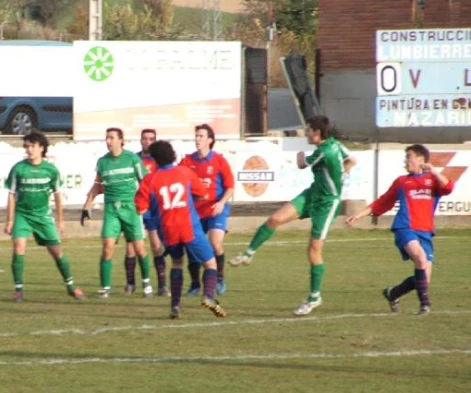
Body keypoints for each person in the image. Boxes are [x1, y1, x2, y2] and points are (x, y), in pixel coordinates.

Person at [229, 115, 357, 317]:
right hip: (313, 194)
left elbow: (301, 163)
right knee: (275, 219)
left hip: (327, 203)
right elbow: (352, 160)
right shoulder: (335, 145)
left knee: (314, 249)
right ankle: (248, 253)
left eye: (308, 130)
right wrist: (343, 172)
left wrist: (299, 155)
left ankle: (314, 297)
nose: (305, 133)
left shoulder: (324, 151)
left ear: (316, 133)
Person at [345, 144, 453, 315]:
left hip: (425, 231)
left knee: (424, 277)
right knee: (420, 257)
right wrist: (359, 215)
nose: (406, 160)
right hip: (405, 227)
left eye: (409, 156)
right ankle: (425, 305)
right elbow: (382, 202)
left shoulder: (433, 181)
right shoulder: (402, 182)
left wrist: (433, 171)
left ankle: (393, 293)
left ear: (420, 159)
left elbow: (448, 187)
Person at [135, 140, 226, 319]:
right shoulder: (185, 172)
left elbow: (140, 207)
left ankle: (175, 306)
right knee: (210, 263)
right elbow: (201, 194)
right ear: (172, 154)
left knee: (177, 263)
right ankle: (209, 296)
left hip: (167, 230)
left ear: (155, 160)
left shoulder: (150, 180)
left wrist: (157, 209)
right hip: (188, 226)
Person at [4, 131, 84, 302]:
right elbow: (11, 194)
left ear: (42, 148)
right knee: (18, 247)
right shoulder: (18, 168)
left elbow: (57, 195)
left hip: (43, 216)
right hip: (23, 215)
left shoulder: (50, 170)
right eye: (26, 146)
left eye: (32, 146)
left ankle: (70, 286)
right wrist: (10, 220)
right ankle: (18, 289)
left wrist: (60, 221)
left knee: (56, 252)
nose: (29, 150)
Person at [81, 127, 152, 298]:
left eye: (111, 138)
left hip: (130, 208)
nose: (108, 141)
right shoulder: (102, 162)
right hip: (112, 209)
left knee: (140, 248)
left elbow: (147, 181)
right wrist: (86, 206)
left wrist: (145, 202)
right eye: (107, 138)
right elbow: (97, 186)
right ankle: (105, 288)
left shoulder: (132, 159)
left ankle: (146, 283)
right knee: (107, 248)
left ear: (121, 140)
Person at [179, 124, 235, 296]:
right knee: (192, 247)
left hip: (216, 209)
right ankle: (195, 283)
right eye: (196, 136)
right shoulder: (187, 161)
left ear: (210, 140)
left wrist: (221, 203)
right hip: (195, 212)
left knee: (215, 243)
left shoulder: (219, 160)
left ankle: (219, 278)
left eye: (201, 136)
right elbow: (177, 179)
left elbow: (230, 187)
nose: (197, 139)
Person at [122, 129, 169, 296]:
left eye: (151, 139)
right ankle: (130, 284)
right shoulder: (133, 159)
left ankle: (162, 285)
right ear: (140, 141)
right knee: (131, 247)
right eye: (145, 139)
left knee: (156, 246)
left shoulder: (159, 161)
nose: (148, 142)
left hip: (152, 208)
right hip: (135, 206)